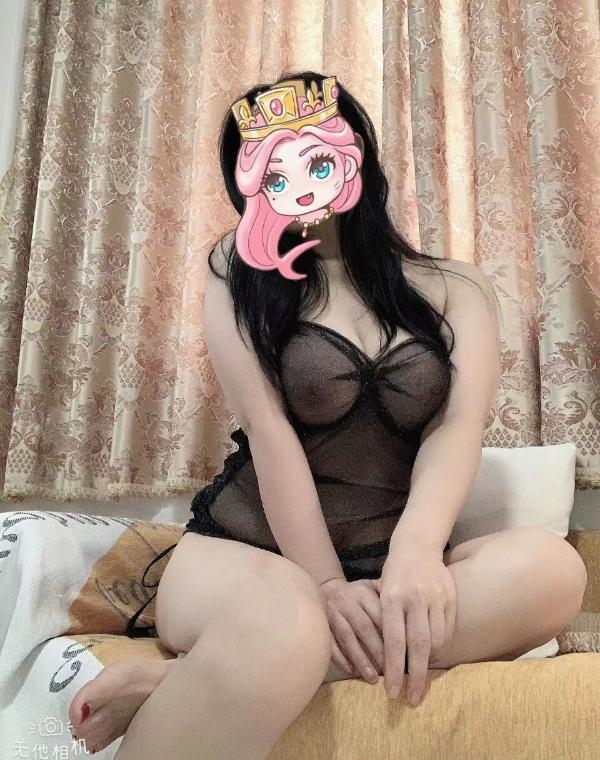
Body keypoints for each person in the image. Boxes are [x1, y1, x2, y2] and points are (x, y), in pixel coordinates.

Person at [67, 71, 587, 760]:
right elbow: (269, 432)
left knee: (553, 571)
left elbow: (455, 428)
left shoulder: (456, 286)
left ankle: (180, 681)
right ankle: (269, 646)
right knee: (290, 620)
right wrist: (324, 585)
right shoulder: (237, 268)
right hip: (244, 554)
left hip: (387, 562)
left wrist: (415, 554)